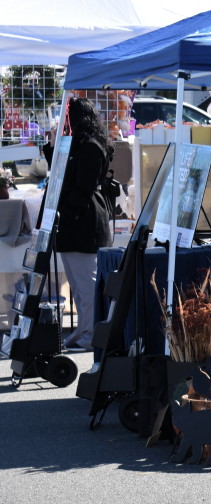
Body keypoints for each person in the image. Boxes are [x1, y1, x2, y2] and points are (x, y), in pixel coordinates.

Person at [53, 96, 114, 351]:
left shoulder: (90, 147)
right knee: (79, 286)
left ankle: (89, 335)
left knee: (85, 285)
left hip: (83, 222)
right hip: (76, 222)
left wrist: (66, 213)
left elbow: (84, 187)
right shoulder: (80, 145)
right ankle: (84, 331)